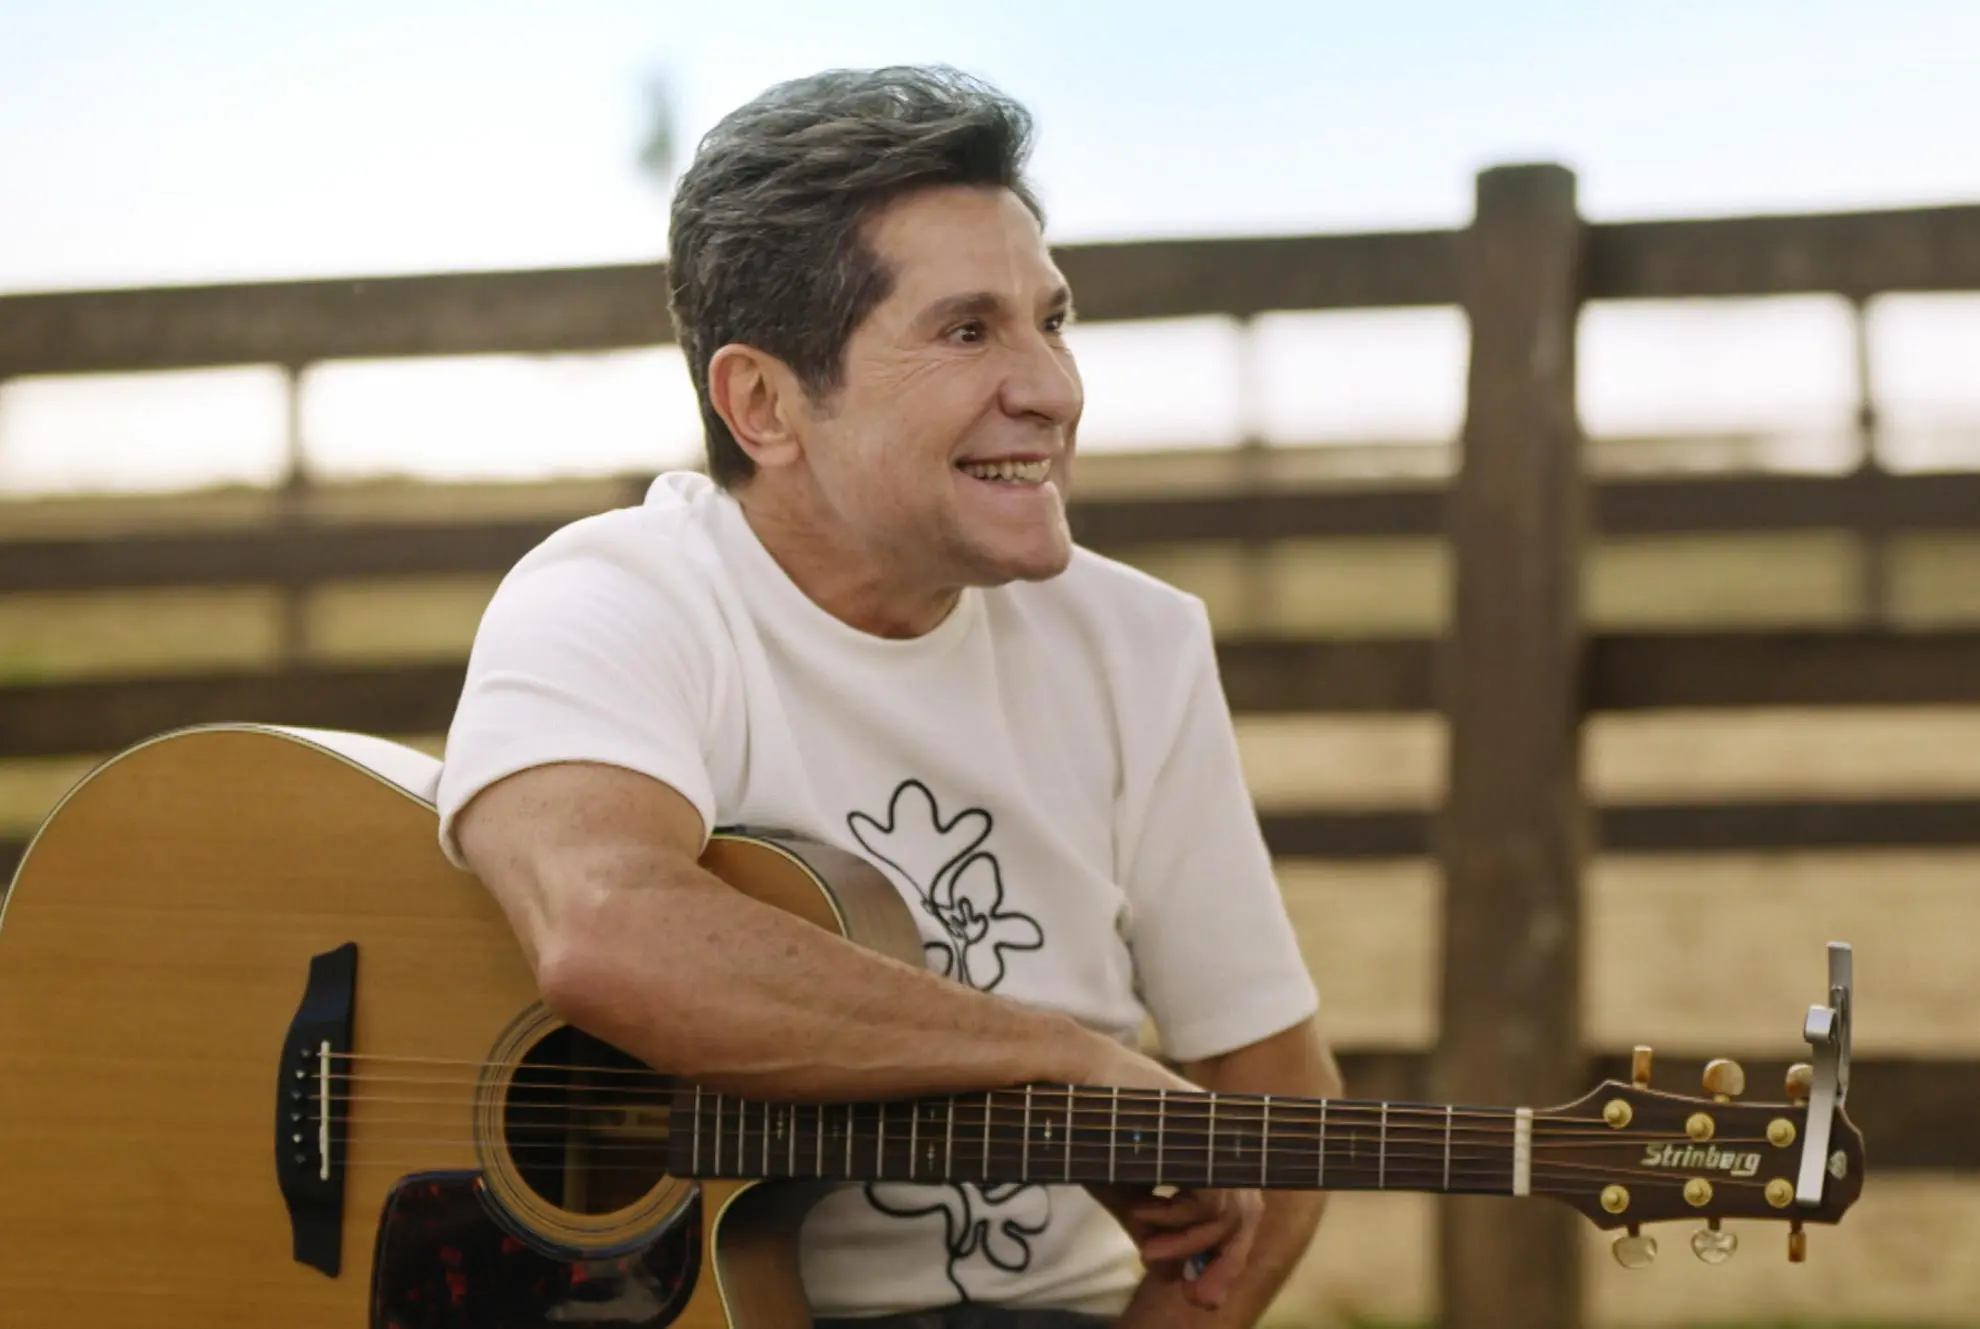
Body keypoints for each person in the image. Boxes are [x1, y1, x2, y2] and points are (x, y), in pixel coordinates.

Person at [432, 65, 1341, 1328]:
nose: (1053, 390)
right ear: (763, 403)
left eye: (1053, 321)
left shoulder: (1139, 642)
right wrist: (1072, 1062)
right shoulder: (615, 596)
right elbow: (607, 929)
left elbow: (1280, 1091)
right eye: (967, 331)